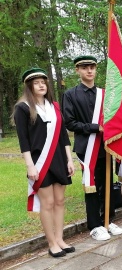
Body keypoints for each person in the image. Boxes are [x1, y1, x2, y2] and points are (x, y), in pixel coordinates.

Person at [13, 68, 75, 257]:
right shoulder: (23, 108)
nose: (41, 85)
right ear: (29, 86)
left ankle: (60, 239)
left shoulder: (53, 106)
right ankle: (51, 243)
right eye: (36, 82)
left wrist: (69, 159)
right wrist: (30, 165)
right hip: (40, 161)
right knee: (47, 203)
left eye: (43, 81)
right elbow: (23, 140)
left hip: (59, 159)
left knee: (59, 201)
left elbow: (63, 135)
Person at [62, 56, 122, 241]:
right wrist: (95, 127)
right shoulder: (70, 94)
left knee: (107, 182)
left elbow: (114, 117)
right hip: (86, 147)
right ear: (77, 71)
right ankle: (95, 225)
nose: (89, 71)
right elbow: (70, 123)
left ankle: (108, 219)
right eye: (85, 68)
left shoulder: (105, 94)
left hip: (105, 145)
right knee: (91, 186)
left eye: (92, 67)